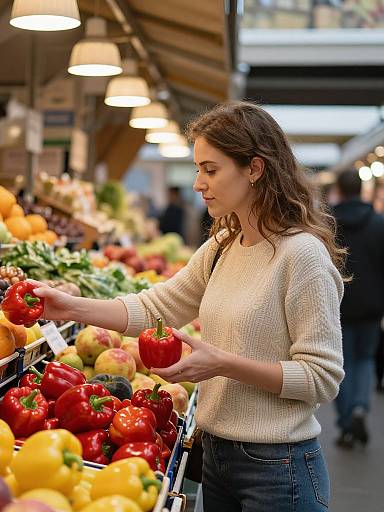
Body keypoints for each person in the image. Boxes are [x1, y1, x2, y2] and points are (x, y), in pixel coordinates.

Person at [33, 101, 345, 512]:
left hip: (278, 468)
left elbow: (321, 378)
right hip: (216, 458)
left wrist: (222, 364)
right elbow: (153, 307)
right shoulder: (222, 247)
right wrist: (71, 307)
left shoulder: (301, 256)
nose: (198, 183)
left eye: (210, 170)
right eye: (198, 169)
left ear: (254, 169)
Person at [331, 170, 384, 447]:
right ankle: (361, 407)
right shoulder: (378, 223)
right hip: (372, 307)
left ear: (339, 188)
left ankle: (346, 421)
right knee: (365, 360)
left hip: (337, 305)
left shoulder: (329, 224)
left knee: (341, 364)